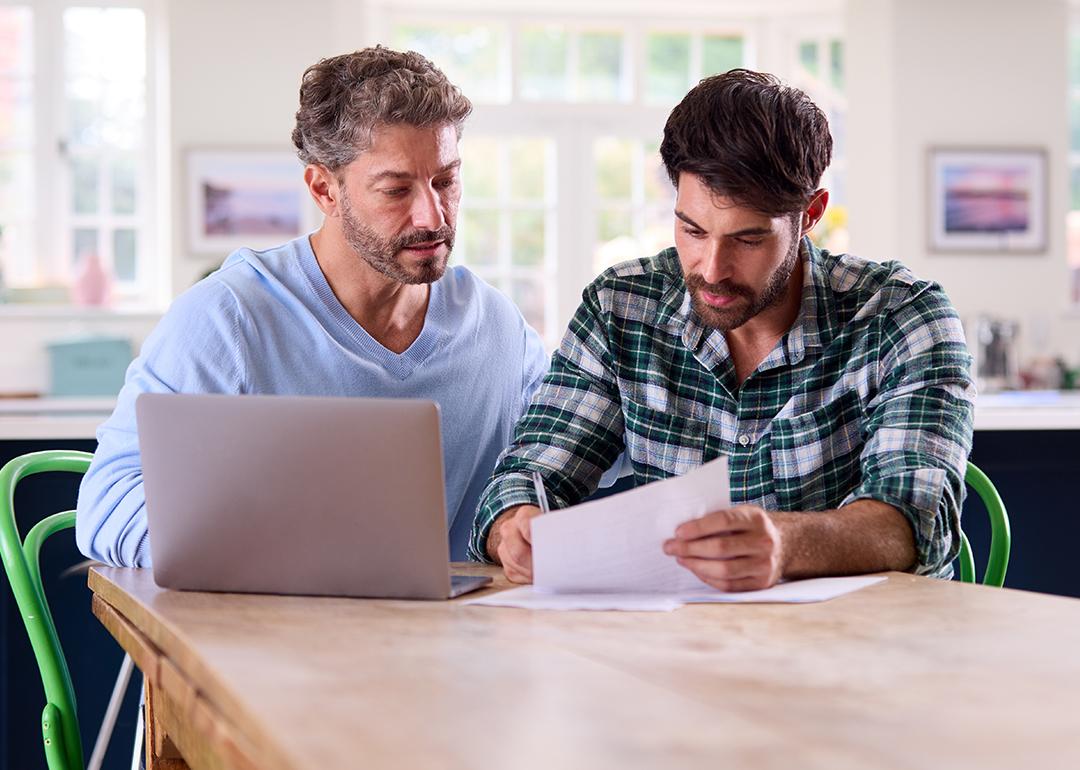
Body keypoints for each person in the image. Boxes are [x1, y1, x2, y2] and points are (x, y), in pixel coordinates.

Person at [470, 69, 975, 591]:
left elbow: (912, 524)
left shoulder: (901, 316)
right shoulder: (621, 307)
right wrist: (516, 525)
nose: (711, 269)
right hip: (680, 646)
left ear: (811, 215)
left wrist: (785, 545)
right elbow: (530, 473)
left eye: (748, 240)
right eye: (692, 229)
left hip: (865, 647)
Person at [76, 46, 547, 567]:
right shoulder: (226, 319)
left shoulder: (498, 327)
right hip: (279, 635)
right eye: (396, 189)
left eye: (446, 181)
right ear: (325, 189)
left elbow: (562, 458)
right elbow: (108, 507)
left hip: (463, 638)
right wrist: (282, 558)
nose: (431, 215)